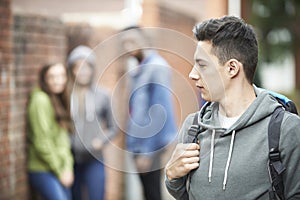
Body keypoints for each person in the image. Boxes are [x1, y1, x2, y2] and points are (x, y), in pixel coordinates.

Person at [165, 16, 300, 199]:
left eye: (202, 65)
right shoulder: (193, 127)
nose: (192, 74)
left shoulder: (286, 129)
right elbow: (185, 194)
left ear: (232, 68)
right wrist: (172, 176)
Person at [121, 26, 177, 200]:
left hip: (149, 145)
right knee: (147, 193)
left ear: (143, 41)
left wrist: (147, 152)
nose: (127, 47)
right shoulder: (140, 68)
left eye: (131, 42)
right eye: (124, 43)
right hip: (138, 143)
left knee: (152, 193)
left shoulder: (156, 67)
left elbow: (160, 112)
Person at [67, 45, 117, 200]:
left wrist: (100, 142)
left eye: (86, 67)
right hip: (69, 160)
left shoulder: (103, 94)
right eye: (78, 67)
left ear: (92, 69)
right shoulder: (65, 95)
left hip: (94, 159)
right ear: (72, 70)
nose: (82, 71)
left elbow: (113, 127)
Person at [27, 63, 74, 200]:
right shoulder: (40, 100)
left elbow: (64, 141)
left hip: (60, 169)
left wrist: (68, 168)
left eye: (61, 76)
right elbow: (42, 141)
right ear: (45, 79)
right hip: (42, 169)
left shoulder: (58, 99)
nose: (57, 80)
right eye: (52, 76)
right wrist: (60, 171)